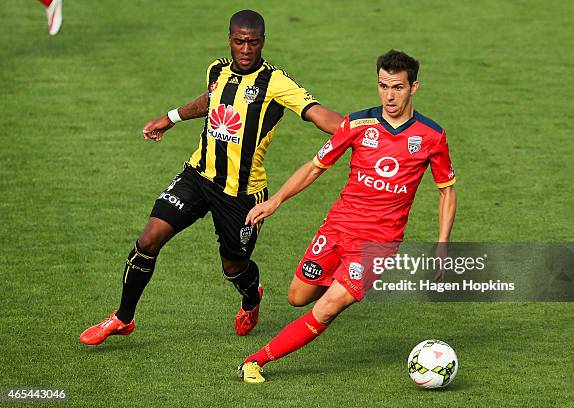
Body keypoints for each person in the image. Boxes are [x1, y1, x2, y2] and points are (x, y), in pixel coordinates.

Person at [79, 10, 342, 345]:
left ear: (263, 42)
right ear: (230, 39)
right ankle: (123, 318)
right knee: (148, 240)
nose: (246, 48)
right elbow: (211, 100)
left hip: (241, 194)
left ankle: (251, 297)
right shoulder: (216, 69)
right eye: (239, 41)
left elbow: (319, 114)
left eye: (253, 42)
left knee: (234, 266)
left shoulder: (276, 83)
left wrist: (363, 131)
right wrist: (170, 117)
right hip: (198, 175)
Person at [239, 50, 457, 383]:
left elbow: (446, 191)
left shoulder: (431, 135)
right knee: (297, 297)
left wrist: (443, 244)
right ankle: (339, 285)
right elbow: (315, 167)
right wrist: (277, 201)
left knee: (327, 307)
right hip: (338, 227)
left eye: (397, 87)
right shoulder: (356, 124)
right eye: (383, 86)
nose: (389, 95)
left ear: (414, 88)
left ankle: (255, 361)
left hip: (377, 245)